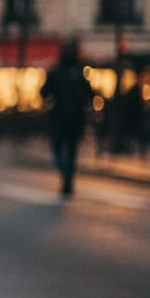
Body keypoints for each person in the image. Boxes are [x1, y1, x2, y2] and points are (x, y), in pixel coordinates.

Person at [40, 40, 95, 198]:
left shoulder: (55, 71)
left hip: (58, 118)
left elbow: (43, 92)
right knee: (71, 151)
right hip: (77, 119)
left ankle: (65, 175)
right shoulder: (80, 72)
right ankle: (68, 180)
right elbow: (90, 94)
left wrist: (49, 102)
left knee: (57, 150)